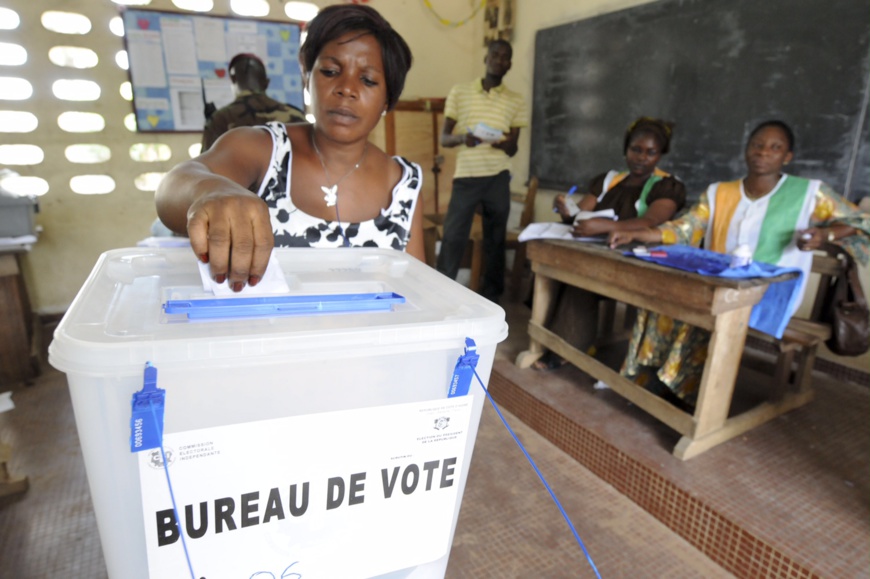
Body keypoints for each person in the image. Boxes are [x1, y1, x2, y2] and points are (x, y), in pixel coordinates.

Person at [156, 4, 424, 293]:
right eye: (331, 71)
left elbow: (417, 288)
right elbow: (174, 186)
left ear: (387, 100)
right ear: (307, 76)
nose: (346, 88)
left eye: (368, 80)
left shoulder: (403, 185)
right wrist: (211, 191)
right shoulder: (264, 149)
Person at [609, 120, 870, 408]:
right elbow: (686, 227)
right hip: (719, 282)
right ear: (746, 150)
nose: (763, 152)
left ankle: (688, 395)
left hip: (770, 292)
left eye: (775, 148)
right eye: (757, 145)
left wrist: (826, 235)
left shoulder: (810, 193)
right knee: (665, 298)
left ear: (787, 157)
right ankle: (656, 378)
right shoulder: (719, 192)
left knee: (707, 309)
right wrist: (638, 233)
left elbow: (862, 222)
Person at [532, 117, 687, 371]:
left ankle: (565, 349)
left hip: (634, 258)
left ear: (660, 155)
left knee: (580, 276)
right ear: (626, 149)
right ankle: (546, 339)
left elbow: (652, 221)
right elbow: (581, 213)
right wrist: (567, 210)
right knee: (557, 266)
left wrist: (606, 227)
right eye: (636, 149)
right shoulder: (609, 180)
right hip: (596, 248)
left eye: (651, 152)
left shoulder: (667, 186)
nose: (641, 158)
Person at [436, 39, 528, 303]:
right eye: (495, 55)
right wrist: (464, 138)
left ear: (510, 65)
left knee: (495, 240)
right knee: (453, 236)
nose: (499, 60)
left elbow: (513, 148)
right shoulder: (460, 92)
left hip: (498, 176)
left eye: (505, 57)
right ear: (486, 58)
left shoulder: (516, 100)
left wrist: (503, 143)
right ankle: (440, 293)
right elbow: (445, 139)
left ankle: (492, 299)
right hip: (467, 176)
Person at [201, 53, 307, 152]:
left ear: (233, 79)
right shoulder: (296, 115)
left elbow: (204, 163)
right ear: (266, 82)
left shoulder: (220, 119)